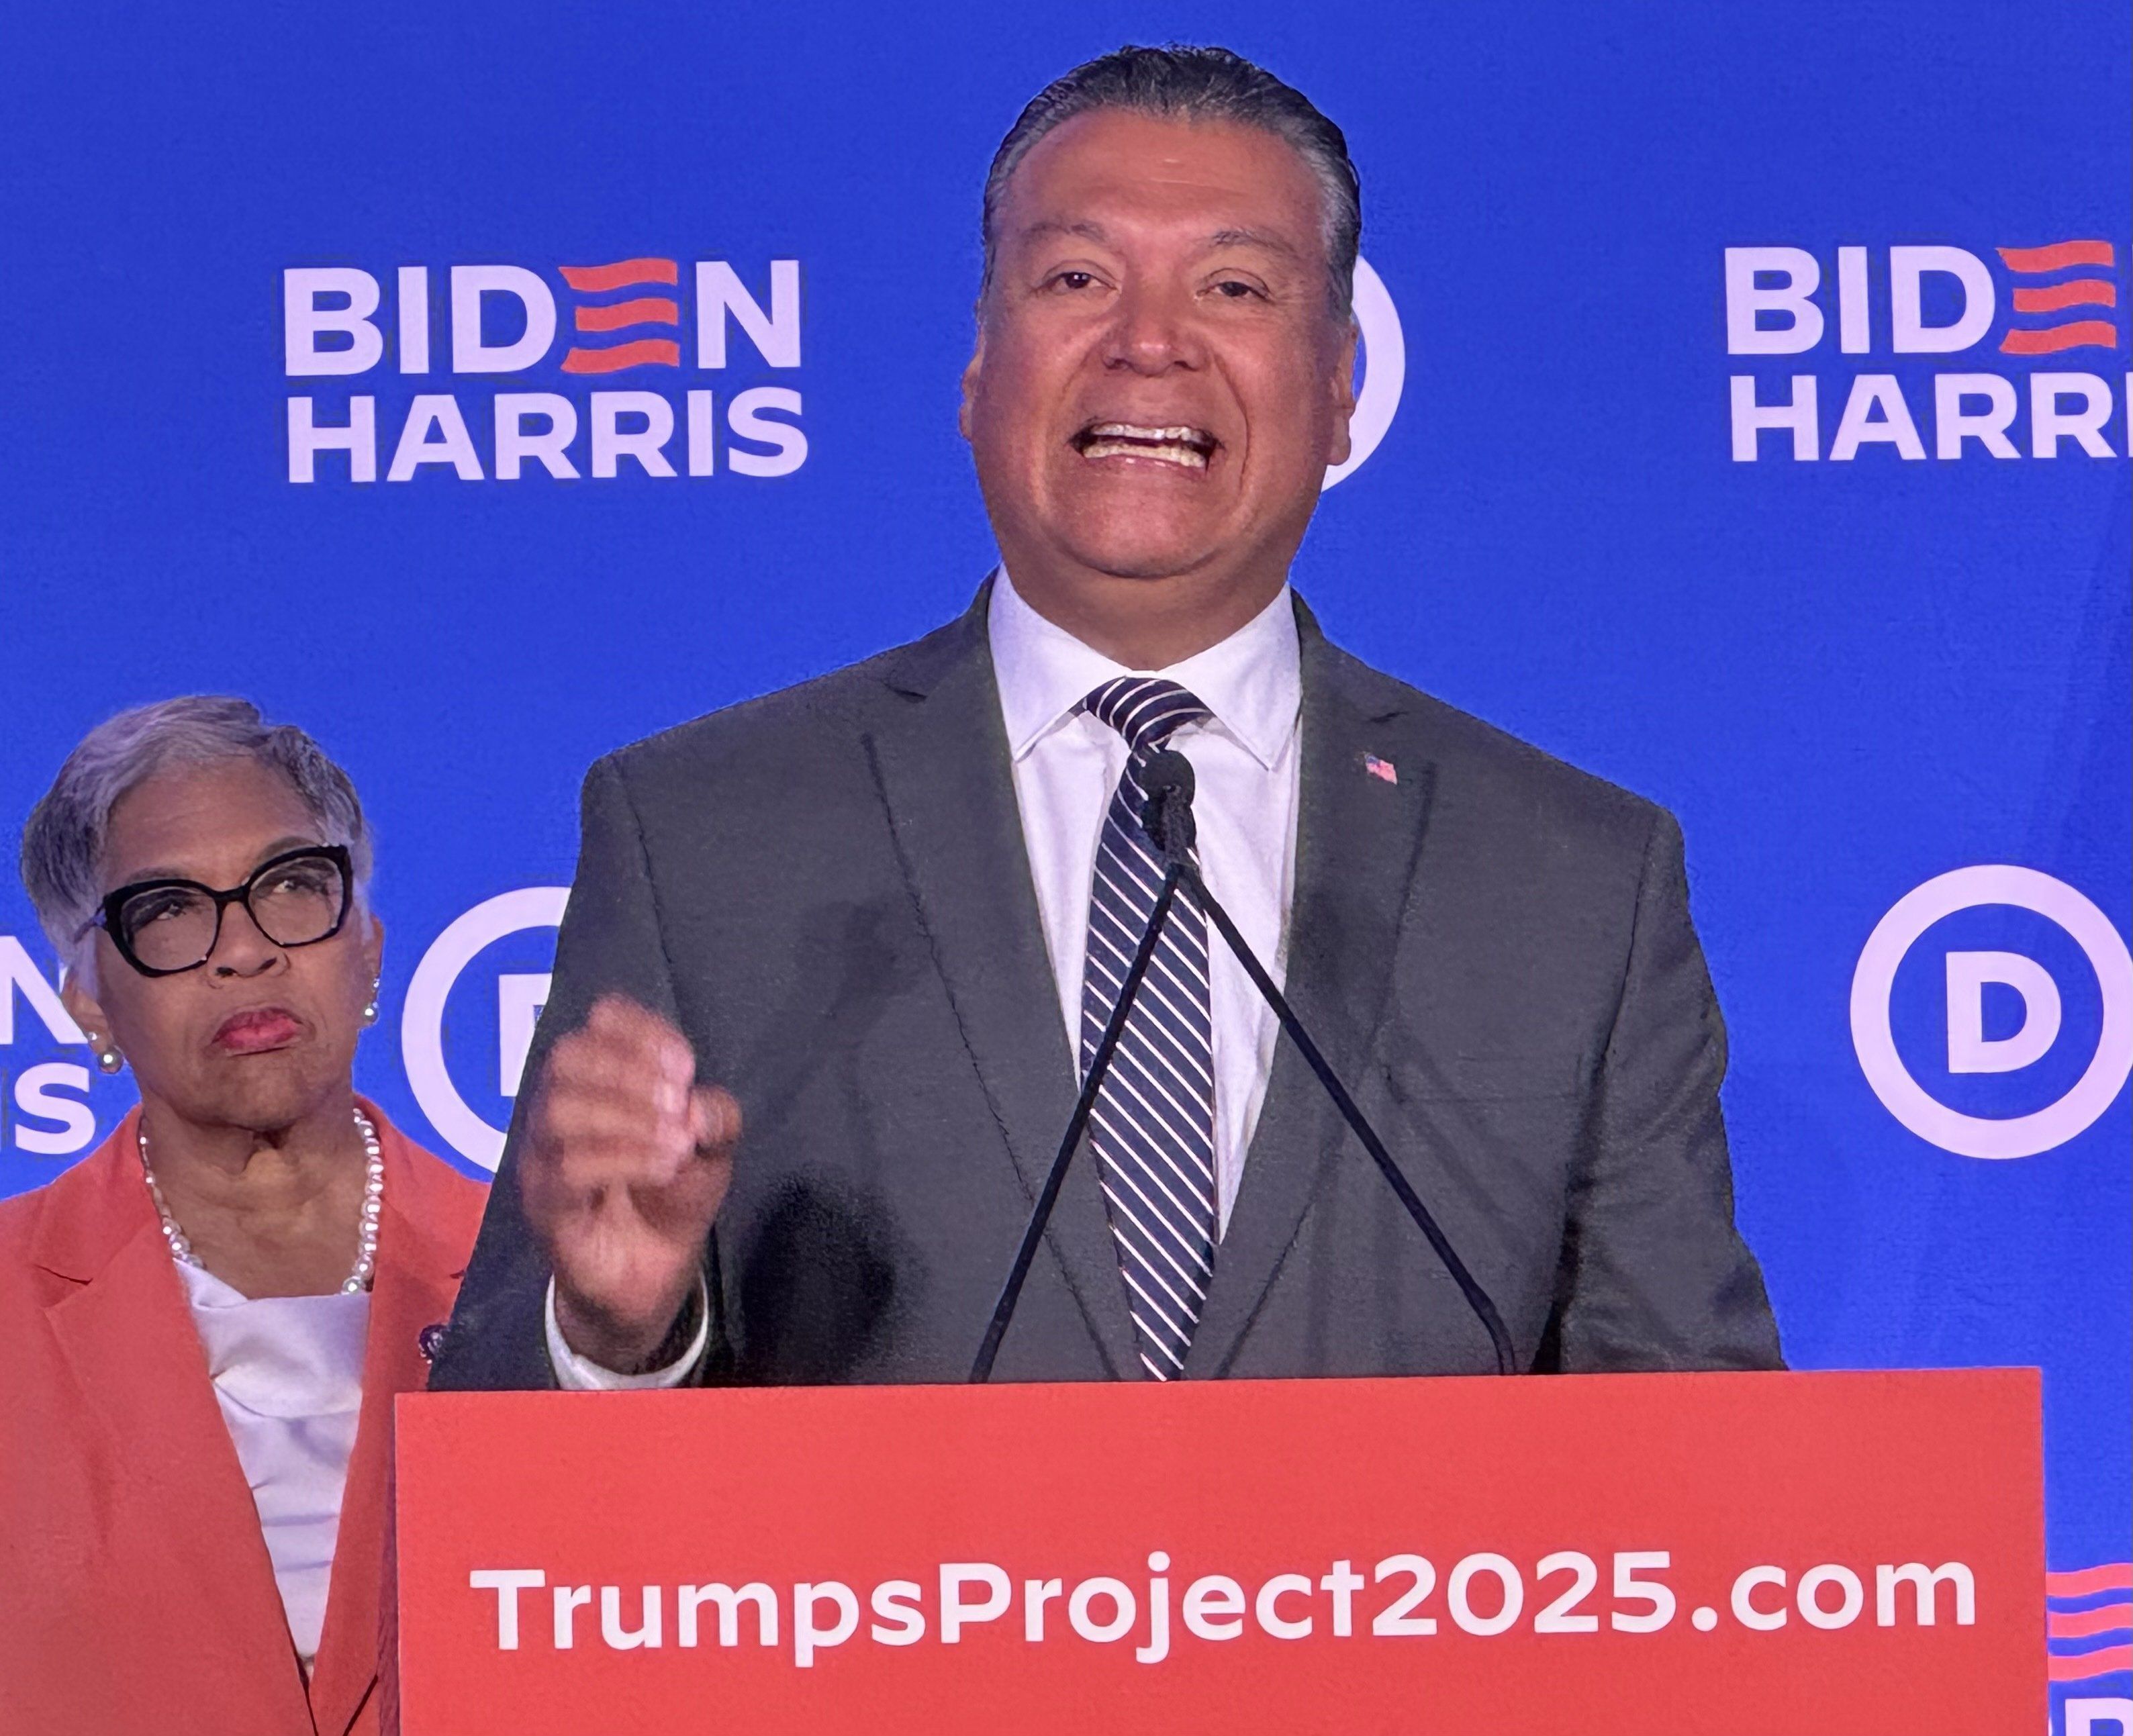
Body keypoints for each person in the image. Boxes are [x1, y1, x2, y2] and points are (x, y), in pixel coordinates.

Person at [431, 44, 1781, 1394]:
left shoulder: (1575, 878)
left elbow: (1702, 1452)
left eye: (1233, 286)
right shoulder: (704, 834)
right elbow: (493, 1445)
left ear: (1341, 393)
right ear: (976, 374)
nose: (1148, 340)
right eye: (1074, 279)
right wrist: (615, 1339)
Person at [0, 698, 487, 1736]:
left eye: (292, 887)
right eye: (170, 910)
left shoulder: (537, 1283)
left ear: (368, 945)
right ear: (88, 999)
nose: (247, 951)